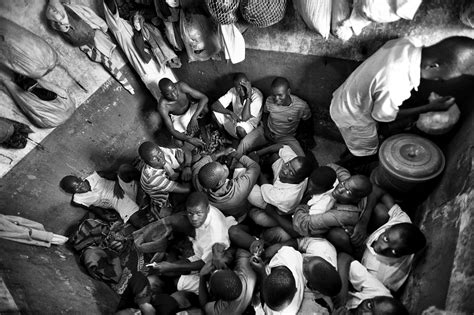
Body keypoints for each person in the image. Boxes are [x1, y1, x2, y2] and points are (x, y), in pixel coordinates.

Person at [330, 36, 474, 165]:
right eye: (439, 79)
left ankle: (352, 151)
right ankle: (346, 164)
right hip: (354, 117)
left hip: (346, 98)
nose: (438, 82)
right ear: (432, 66)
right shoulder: (397, 82)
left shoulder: (407, 43)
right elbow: (381, 116)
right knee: (366, 150)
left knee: (355, 142)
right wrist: (429, 108)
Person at [147, 192, 237, 295]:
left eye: (198, 214)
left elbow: (204, 263)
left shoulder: (214, 237)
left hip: (212, 263)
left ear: (207, 210)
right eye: (190, 214)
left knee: (175, 276)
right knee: (168, 270)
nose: (194, 218)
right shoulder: (199, 212)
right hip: (202, 256)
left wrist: (172, 266)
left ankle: (205, 288)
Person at [103, 0, 176, 101]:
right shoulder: (118, 26)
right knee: (166, 102)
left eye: (125, 4)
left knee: (177, 91)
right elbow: (110, 6)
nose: (123, 7)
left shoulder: (136, 22)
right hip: (147, 71)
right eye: (119, 6)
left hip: (160, 64)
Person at [292, 165, 373, 253]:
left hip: (342, 236)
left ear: (356, 199)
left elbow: (304, 223)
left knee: (336, 234)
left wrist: (303, 204)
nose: (340, 189)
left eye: (348, 192)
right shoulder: (348, 182)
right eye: (343, 184)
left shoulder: (343, 215)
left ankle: (350, 254)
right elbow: (333, 167)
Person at [360, 194, 426, 292]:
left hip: (360, 258)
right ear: (388, 228)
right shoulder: (401, 220)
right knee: (381, 211)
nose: (382, 248)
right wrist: (363, 222)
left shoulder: (379, 277)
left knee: (338, 237)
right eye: (386, 239)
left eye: (394, 252)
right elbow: (378, 191)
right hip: (366, 241)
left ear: (403, 255)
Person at [236, 77, 311, 157]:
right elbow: (265, 114)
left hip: (286, 137)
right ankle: (234, 164)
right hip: (267, 132)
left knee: (301, 158)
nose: (276, 99)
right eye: (274, 95)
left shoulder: (301, 106)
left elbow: (307, 122)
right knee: (244, 143)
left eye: (280, 95)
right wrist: (267, 130)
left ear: (288, 92)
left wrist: (303, 137)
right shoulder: (269, 100)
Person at [60, 164, 143, 227]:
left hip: (123, 188)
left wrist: (118, 185)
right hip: (118, 201)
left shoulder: (96, 176)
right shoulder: (78, 200)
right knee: (137, 221)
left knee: (124, 168)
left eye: (79, 183)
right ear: (71, 192)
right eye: (76, 189)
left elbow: (115, 175)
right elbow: (93, 208)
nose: (80, 187)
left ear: (80, 178)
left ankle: (145, 182)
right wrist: (103, 215)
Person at [193, 147, 260, 222]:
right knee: (242, 165)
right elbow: (255, 167)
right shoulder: (239, 188)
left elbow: (199, 164)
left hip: (229, 211)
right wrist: (237, 155)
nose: (224, 165)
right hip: (243, 209)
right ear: (220, 182)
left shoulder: (198, 182)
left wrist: (223, 152)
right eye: (223, 170)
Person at [333, 253, 409, 315]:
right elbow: (344, 258)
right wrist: (342, 293)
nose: (364, 314)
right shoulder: (381, 296)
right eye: (369, 306)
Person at [138, 141, 192, 218]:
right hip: (166, 198)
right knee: (191, 195)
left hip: (168, 180)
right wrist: (183, 166)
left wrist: (187, 166)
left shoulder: (159, 151)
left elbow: (186, 150)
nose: (160, 159)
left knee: (189, 163)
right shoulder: (152, 178)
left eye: (159, 153)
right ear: (145, 162)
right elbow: (187, 189)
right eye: (154, 158)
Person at [198, 249, 256, 315]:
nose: (215, 269)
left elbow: (204, 306)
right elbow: (239, 251)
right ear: (236, 273)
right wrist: (226, 256)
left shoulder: (221, 311)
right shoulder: (247, 272)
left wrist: (202, 275)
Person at [251, 246, 305, 314]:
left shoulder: (277, 313)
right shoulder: (287, 253)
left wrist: (262, 273)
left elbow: (264, 303)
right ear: (295, 290)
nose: (271, 309)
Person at [157, 78, 209, 148]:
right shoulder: (162, 106)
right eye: (168, 94)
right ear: (162, 94)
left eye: (174, 89)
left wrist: (194, 117)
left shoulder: (181, 86)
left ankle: (201, 126)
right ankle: (191, 136)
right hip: (178, 117)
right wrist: (189, 139)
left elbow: (204, 97)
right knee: (178, 143)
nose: (174, 95)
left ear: (175, 85)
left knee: (205, 107)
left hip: (190, 109)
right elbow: (171, 130)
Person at [211, 72, 264, 139]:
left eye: (243, 87)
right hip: (235, 119)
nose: (241, 91)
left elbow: (245, 118)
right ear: (235, 87)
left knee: (240, 129)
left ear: (248, 84)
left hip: (249, 125)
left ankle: (242, 143)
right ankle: (225, 137)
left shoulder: (257, 96)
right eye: (238, 88)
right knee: (215, 113)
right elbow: (214, 106)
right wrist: (230, 112)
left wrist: (248, 96)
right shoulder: (233, 91)